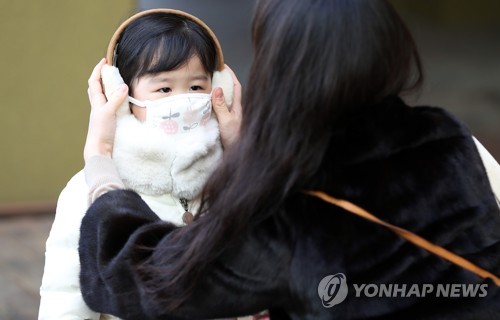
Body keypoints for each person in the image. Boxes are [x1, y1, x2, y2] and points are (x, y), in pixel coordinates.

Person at [79, 0, 500, 319]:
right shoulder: (447, 137)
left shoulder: (290, 208)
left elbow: (138, 280)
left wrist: (100, 157)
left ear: (280, 66)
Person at [38, 9, 248, 320]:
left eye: (195, 87)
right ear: (119, 93)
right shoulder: (84, 191)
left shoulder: (231, 181)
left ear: (221, 88)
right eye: (164, 88)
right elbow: (65, 297)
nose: (182, 100)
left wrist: (239, 153)